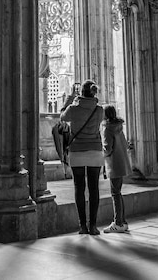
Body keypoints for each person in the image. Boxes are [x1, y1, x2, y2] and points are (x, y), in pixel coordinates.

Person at [60, 79, 104, 235]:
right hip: (95, 151)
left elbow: (62, 118)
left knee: (79, 188)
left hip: (77, 151)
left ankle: (82, 226)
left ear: (80, 92)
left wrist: (70, 98)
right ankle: (93, 226)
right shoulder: (99, 110)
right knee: (94, 189)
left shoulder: (73, 109)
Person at [100, 104, 132, 233]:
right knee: (118, 193)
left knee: (115, 193)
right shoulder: (118, 127)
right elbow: (125, 144)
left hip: (113, 164)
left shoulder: (107, 128)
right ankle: (122, 222)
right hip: (122, 162)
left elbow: (107, 149)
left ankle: (118, 223)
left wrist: (98, 151)